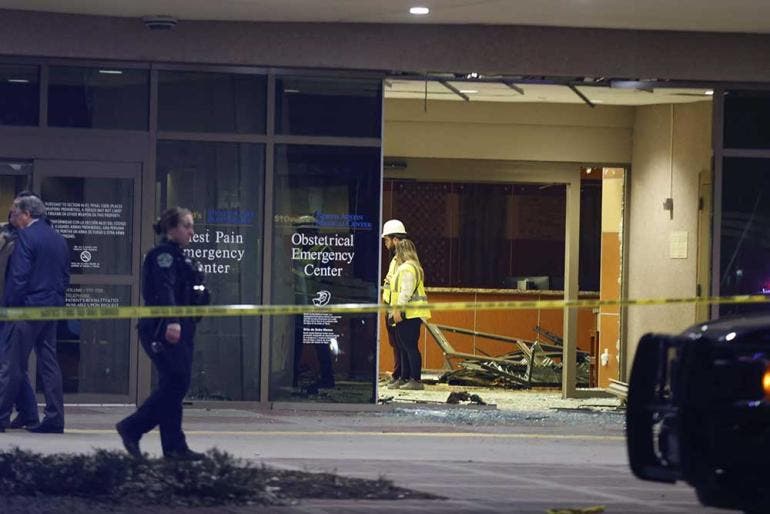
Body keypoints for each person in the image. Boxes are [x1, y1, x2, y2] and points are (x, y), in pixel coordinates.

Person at [116, 207, 209, 460]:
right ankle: (132, 427)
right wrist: (172, 321)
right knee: (176, 382)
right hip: (163, 328)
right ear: (171, 229)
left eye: (192, 225)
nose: (191, 231)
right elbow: (165, 290)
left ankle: (174, 446)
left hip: (183, 327)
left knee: (175, 384)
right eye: (186, 226)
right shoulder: (163, 256)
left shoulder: (181, 256)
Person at [0, 193, 69, 433]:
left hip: (26, 309)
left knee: (12, 364)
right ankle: (54, 418)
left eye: (15, 213)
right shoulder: (58, 238)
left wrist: (9, 308)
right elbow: (64, 277)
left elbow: (19, 277)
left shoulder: (26, 237)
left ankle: (1, 416)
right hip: (51, 308)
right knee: (49, 363)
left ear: (27, 214)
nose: (13, 218)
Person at [0, 208, 40, 430]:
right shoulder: (8, 238)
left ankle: (13, 414)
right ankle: (28, 412)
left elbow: (16, 278)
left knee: (9, 363)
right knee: (13, 364)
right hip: (7, 306)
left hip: (11, 308)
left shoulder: (21, 243)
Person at [388, 238, 431, 391]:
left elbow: (405, 292)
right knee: (404, 346)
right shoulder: (414, 267)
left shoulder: (407, 268)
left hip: (409, 313)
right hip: (410, 313)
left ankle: (415, 379)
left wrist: (398, 309)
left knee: (409, 347)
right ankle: (405, 377)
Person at [381, 219, 408, 388]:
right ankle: (398, 374)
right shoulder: (395, 260)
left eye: (387, 240)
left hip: (398, 309)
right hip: (391, 307)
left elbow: (403, 288)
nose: (385, 243)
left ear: (395, 240)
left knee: (401, 344)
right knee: (395, 343)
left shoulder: (404, 262)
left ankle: (401, 376)